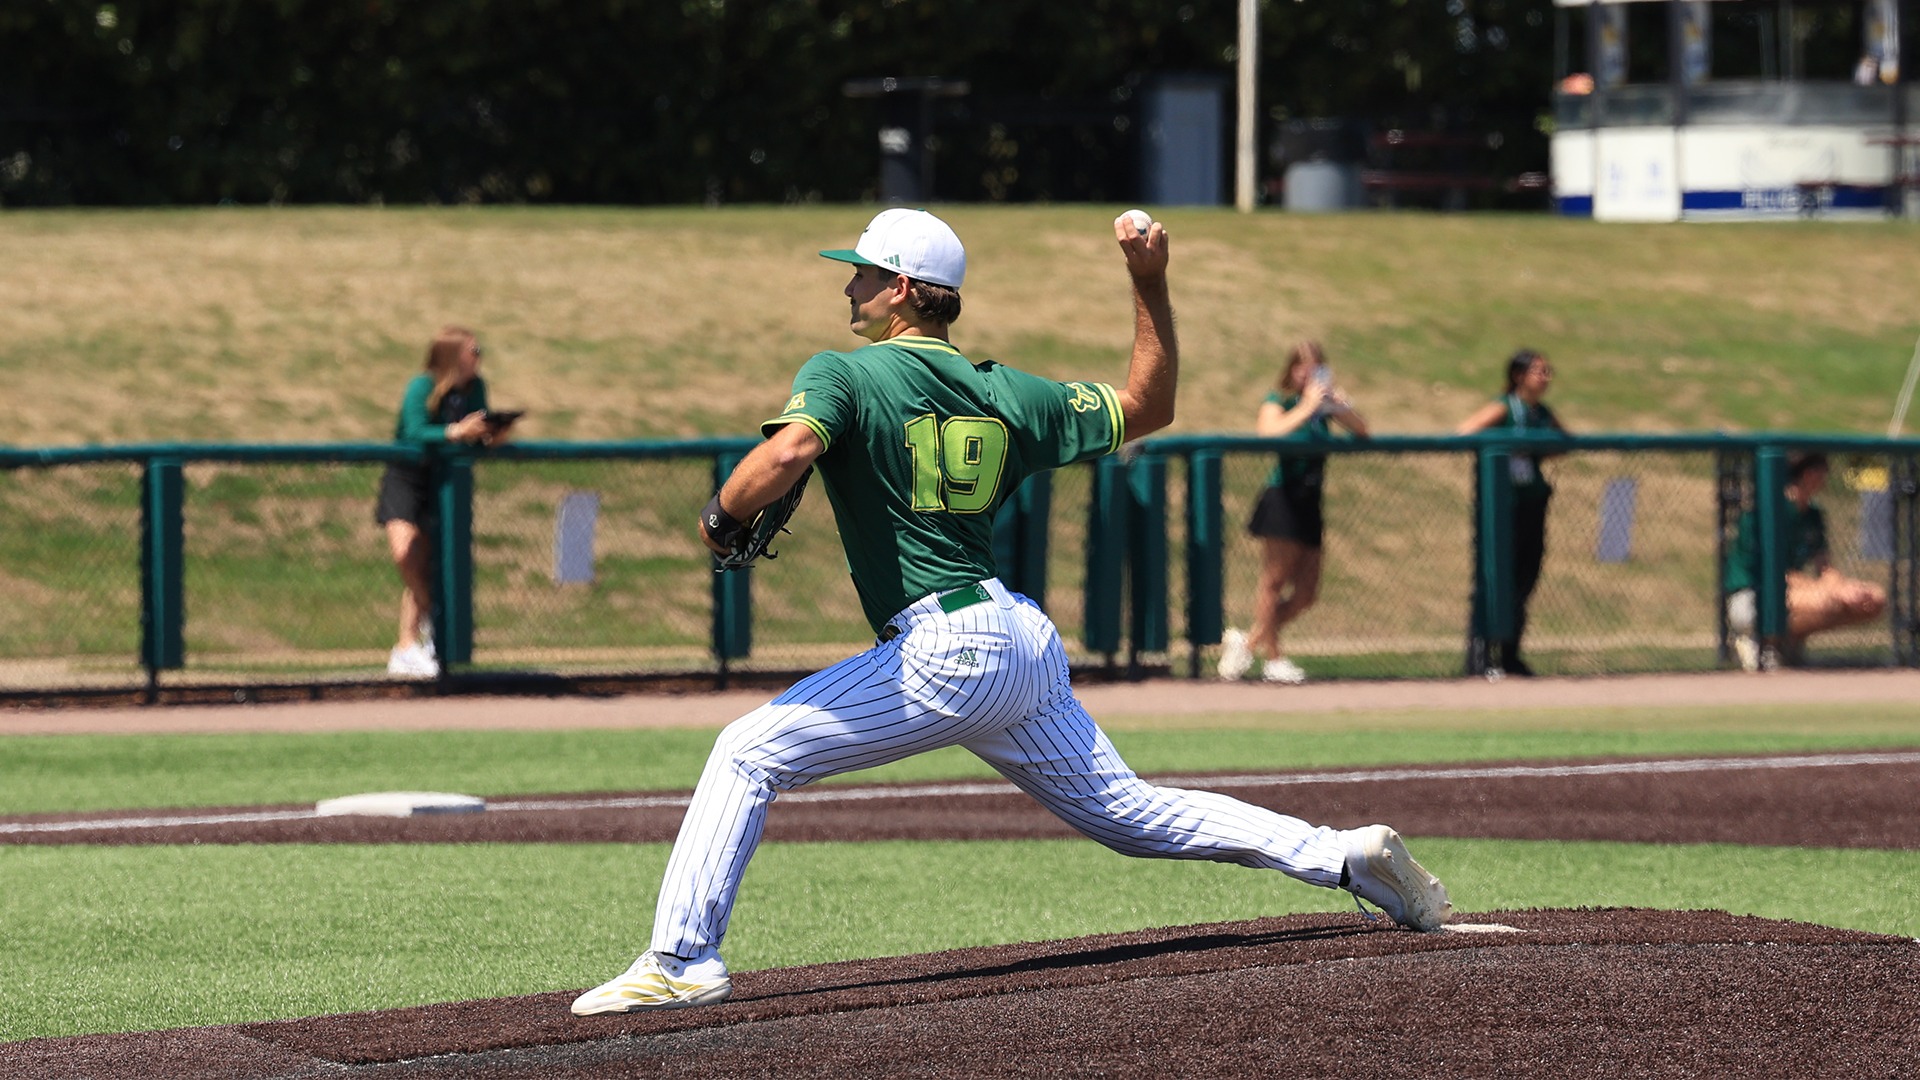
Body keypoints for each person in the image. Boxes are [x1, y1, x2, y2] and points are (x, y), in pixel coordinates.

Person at [570, 209, 1451, 1016]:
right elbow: (1151, 407)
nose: (849, 287)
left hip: (944, 645)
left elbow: (791, 447)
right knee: (1131, 814)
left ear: (904, 290)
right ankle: (1341, 853)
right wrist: (1148, 284)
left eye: (863, 274)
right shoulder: (1006, 391)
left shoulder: (841, 372)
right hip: (1016, 639)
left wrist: (721, 515)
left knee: (744, 752)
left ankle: (682, 959)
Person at [1218, 341, 1369, 685]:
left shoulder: (1324, 407)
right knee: (1273, 582)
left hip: (1310, 501)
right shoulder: (1281, 400)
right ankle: (1273, 658)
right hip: (1282, 497)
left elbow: (1362, 430)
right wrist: (1306, 406)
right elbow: (1267, 432)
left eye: (1316, 368)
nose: (1308, 374)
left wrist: (1338, 407)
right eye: (1302, 367)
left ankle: (1249, 640)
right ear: (1290, 370)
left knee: (1306, 593)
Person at [373, 325, 503, 678]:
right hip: (407, 475)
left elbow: (478, 428)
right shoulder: (423, 386)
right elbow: (414, 431)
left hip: (443, 479)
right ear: (453, 355)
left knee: (426, 560)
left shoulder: (475, 388)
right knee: (405, 554)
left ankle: (407, 647)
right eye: (473, 352)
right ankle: (435, 619)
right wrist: (453, 432)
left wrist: (490, 434)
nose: (479, 359)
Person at [1456, 348, 1569, 677]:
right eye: (1538, 371)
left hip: (1531, 503)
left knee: (1525, 579)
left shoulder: (1541, 413)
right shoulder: (1504, 406)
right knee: (1493, 579)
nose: (1545, 377)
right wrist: (1503, 446)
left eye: (1548, 371)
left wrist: (1537, 449)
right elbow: (1465, 431)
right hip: (1500, 508)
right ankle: (1480, 656)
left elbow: (1565, 441)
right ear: (1519, 376)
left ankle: (1509, 654)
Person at [1723, 451, 1887, 671]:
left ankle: (1787, 646)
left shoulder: (1813, 515)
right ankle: (1760, 643)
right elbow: (1774, 575)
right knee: (1824, 601)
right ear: (1809, 475)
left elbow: (1825, 567)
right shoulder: (1763, 514)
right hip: (1750, 599)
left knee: (1874, 597)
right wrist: (1831, 592)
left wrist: (1846, 588)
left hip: (1793, 594)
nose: (1826, 479)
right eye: (1823, 472)